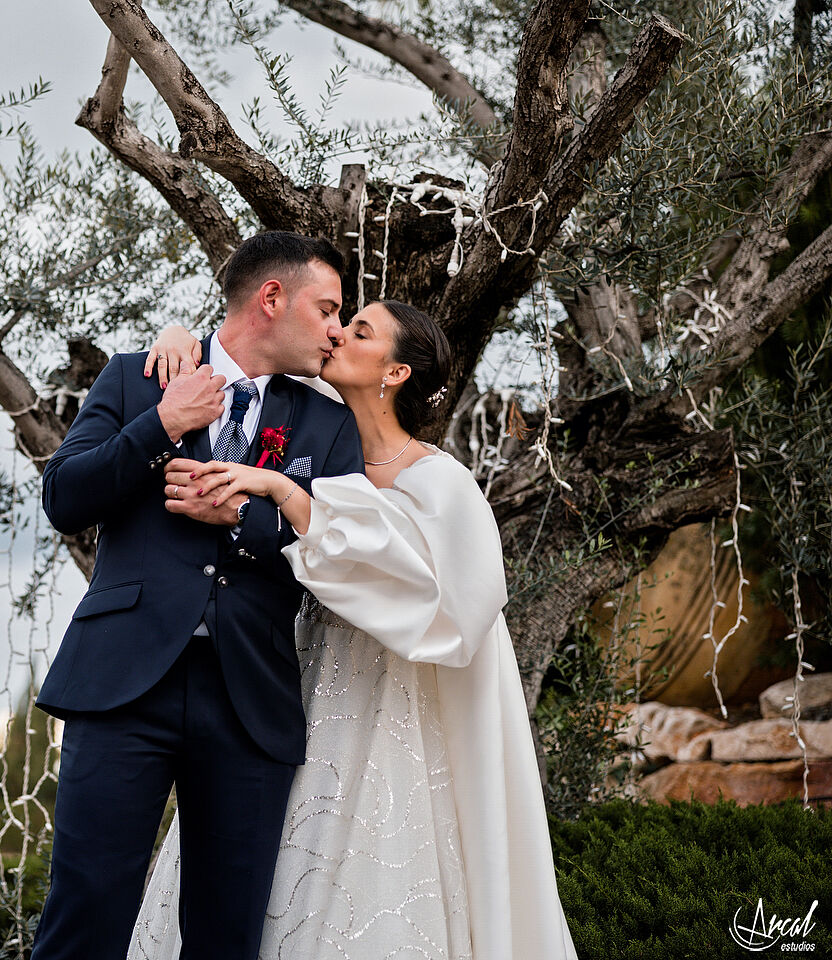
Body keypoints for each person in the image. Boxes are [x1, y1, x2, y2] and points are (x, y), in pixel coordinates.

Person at [127, 300, 579, 960]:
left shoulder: (441, 483)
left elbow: (459, 608)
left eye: (360, 330)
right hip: (294, 692)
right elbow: (235, 351)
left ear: (394, 372)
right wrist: (179, 339)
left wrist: (288, 496)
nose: (337, 332)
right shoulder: (306, 438)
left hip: (397, 705)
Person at [34, 232, 366, 960]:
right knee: (84, 915)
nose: (337, 330)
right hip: (123, 685)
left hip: (249, 699)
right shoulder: (136, 379)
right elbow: (63, 498)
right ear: (271, 299)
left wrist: (244, 519)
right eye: (329, 308)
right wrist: (162, 424)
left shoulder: (328, 425)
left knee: (228, 934)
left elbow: (337, 551)